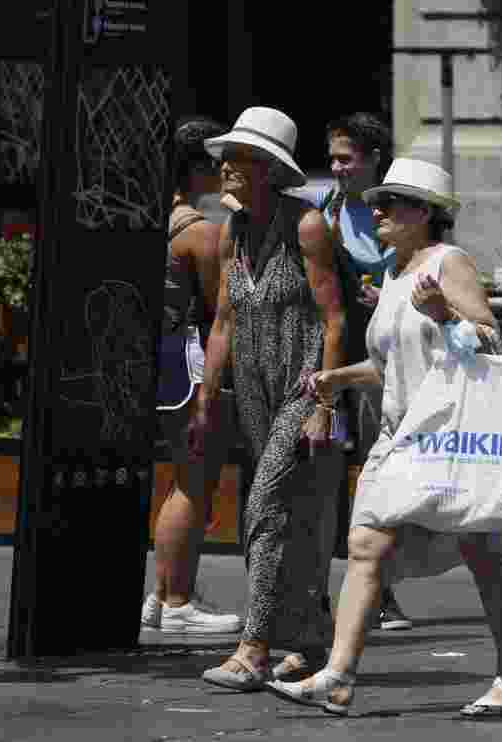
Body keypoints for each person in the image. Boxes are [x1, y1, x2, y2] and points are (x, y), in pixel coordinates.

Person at [270, 158, 502, 717]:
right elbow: (388, 364)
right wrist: (337, 377)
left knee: (483, 557)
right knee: (365, 546)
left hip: (451, 439)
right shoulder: (392, 272)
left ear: (425, 214)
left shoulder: (448, 263)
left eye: (392, 202)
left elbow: (489, 340)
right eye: (377, 202)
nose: (378, 210)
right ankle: (338, 677)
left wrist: (443, 315)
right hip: (400, 437)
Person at [193, 107, 347, 690]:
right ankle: (309, 640)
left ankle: (254, 647)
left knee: (262, 507)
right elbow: (224, 323)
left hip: (303, 385)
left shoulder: (306, 226)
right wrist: (208, 402)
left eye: (241, 158)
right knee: (294, 513)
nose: (227, 167)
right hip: (254, 393)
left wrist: (323, 404)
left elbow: (334, 321)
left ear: (268, 169)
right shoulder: (234, 230)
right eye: (228, 156)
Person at [140, 115, 244, 635]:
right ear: (199, 167)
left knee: (182, 478)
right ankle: (177, 600)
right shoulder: (199, 232)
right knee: (194, 481)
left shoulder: (153, 218)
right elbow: (219, 309)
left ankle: (164, 595)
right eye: (220, 161)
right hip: (188, 363)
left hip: (156, 360)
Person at [308, 112, 412, 632]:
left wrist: (385, 295)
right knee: (328, 477)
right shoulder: (322, 210)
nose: (336, 167)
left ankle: (380, 591)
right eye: (332, 158)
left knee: (377, 476)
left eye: (345, 159)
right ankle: (322, 595)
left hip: (377, 365)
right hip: (332, 360)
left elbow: (420, 276)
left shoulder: (392, 215)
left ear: (373, 160)